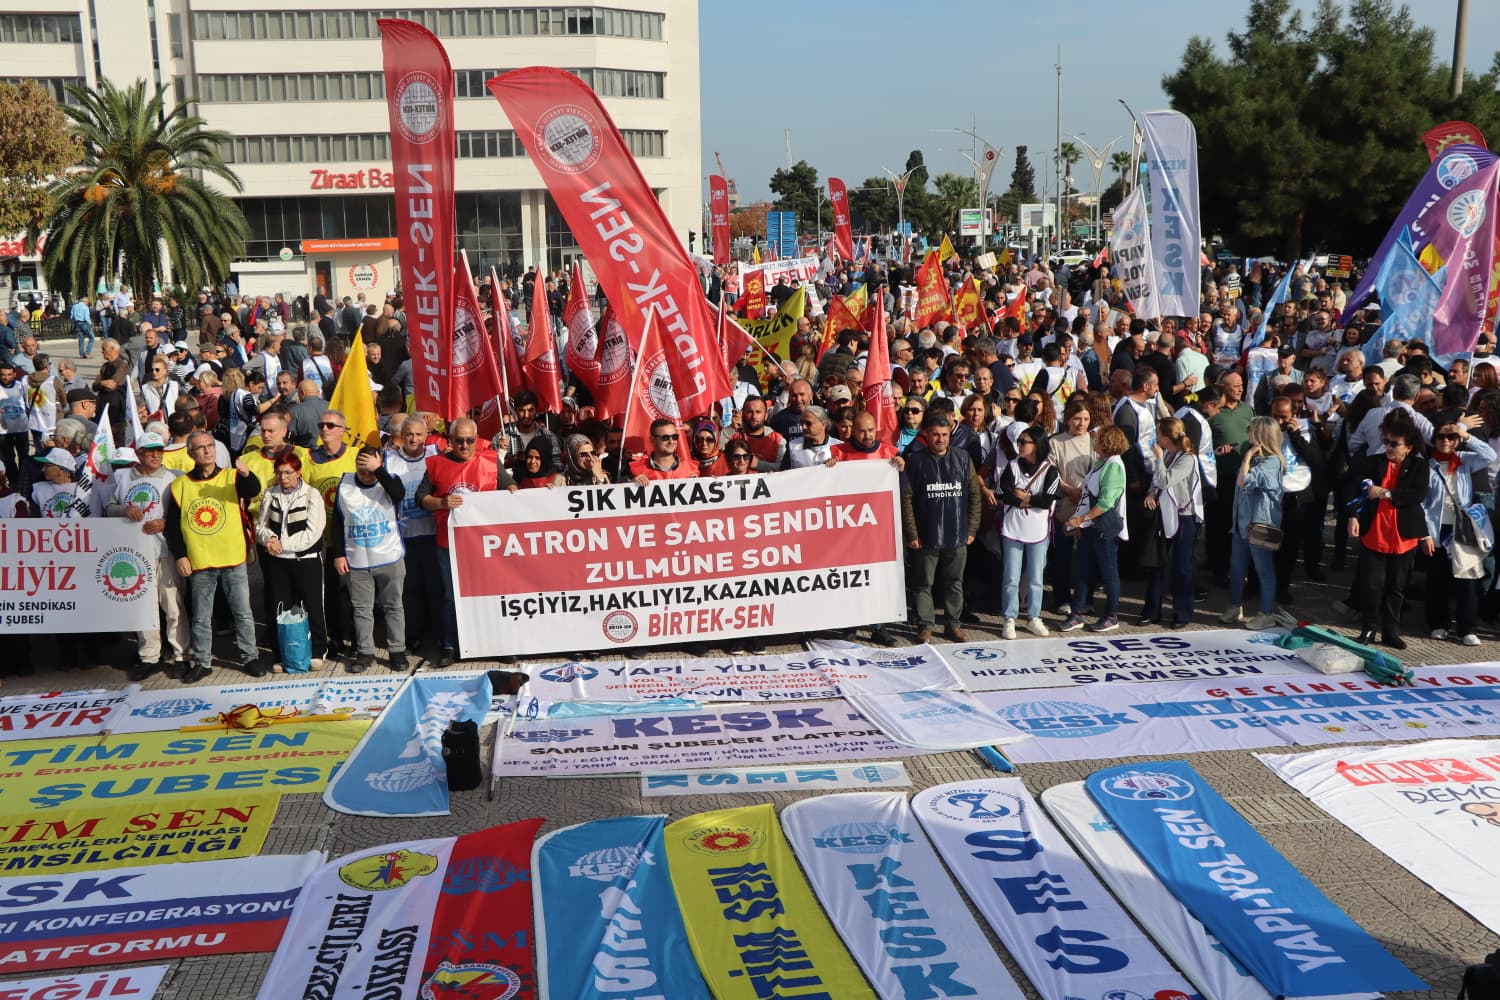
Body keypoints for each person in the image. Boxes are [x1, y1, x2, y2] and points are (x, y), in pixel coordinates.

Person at [416, 417, 518, 665]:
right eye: (459, 440)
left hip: (485, 545)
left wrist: (513, 493)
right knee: (453, 596)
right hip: (449, 544)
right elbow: (420, 499)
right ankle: (451, 645)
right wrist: (441, 503)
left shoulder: (491, 461)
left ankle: (497, 644)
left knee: (491, 594)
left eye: (469, 440)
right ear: (450, 441)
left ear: (477, 440)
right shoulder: (436, 464)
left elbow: (511, 486)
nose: (464, 445)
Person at [164, 432, 264, 683]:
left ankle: (250, 657)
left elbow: (253, 489)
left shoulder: (231, 476)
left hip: (232, 557)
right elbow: (173, 527)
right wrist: (180, 556)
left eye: (210, 446)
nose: (207, 451)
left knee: (242, 612)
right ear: (190, 454)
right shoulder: (180, 485)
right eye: (200, 448)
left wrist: (245, 473)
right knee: (201, 616)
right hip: (200, 560)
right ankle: (203, 661)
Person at [106, 432, 188, 681]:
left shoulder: (174, 478)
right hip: (134, 555)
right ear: (139, 454)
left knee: (173, 605)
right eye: (150, 451)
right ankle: (149, 655)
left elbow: (187, 511)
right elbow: (109, 508)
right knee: (143, 607)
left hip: (165, 550)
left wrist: (166, 522)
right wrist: (124, 509)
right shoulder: (122, 478)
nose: (156, 455)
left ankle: (181, 655)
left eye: (159, 450)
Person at [1348, 414, 1428, 648]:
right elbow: (1355, 489)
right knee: (1372, 584)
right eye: (1387, 442)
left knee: (1397, 586)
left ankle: (1391, 631)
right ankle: (1368, 629)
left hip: (1403, 535)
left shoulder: (1419, 466)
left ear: (1409, 447)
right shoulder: (1373, 462)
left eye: (1395, 444)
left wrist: (1385, 493)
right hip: (1375, 531)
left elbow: (1417, 494)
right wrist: (1353, 515)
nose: (1389, 447)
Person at [901, 413, 982, 643]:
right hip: (926, 535)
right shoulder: (916, 461)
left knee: (954, 582)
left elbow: (975, 495)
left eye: (944, 435)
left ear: (950, 436)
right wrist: (912, 533)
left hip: (957, 533)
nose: (940, 439)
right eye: (935, 434)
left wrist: (972, 529)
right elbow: (906, 499)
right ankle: (926, 625)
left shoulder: (963, 458)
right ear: (926, 434)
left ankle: (952, 624)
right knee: (923, 583)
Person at [332, 446, 408, 673]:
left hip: (389, 556)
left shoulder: (388, 481)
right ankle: (365, 652)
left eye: (371, 470)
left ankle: (397, 651)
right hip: (358, 558)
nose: (366, 474)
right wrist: (338, 554)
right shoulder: (345, 484)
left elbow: (399, 494)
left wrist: (379, 472)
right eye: (362, 469)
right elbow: (337, 519)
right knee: (361, 609)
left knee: (393, 606)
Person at [1421, 416, 1495, 646]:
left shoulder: (1464, 460)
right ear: (1433, 440)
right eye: (1441, 436)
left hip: (1462, 528)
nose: (1445, 440)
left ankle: (1467, 628)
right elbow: (1422, 503)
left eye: (1450, 436)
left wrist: (1465, 434)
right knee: (1437, 578)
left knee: (1467, 578)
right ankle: (1438, 623)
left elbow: (1490, 456)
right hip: (1437, 528)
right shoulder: (1426, 465)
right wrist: (1425, 534)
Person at [255, 451, 329, 671]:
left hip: (305, 560)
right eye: (279, 473)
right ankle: (281, 654)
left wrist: (283, 545)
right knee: (278, 607)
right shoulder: (270, 493)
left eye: (288, 472)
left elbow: (313, 533)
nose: (283, 477)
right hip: (277, 561)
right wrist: (269, 539)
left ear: (298, 472)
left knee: (312, 605)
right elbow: (261, 526)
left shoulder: (311, 495)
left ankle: (317, 650)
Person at [1060, 426, 1131, 632]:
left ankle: (1111, 615)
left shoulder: (1114, 465)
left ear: (1106, 442)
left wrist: (1082, 518)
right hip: (1090, 527)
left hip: (1104, 529)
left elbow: (1107, 501)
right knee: (1083, 570)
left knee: (1109, 573)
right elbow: (1085, 495)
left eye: (1097, 439)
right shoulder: (1102, 462)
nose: (1094, 442)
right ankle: (1077, 613)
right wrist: (1081, 523)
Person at [1221, 416, 1286, 631]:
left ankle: (1266, 612)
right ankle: (1235, 605)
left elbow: (1243, 481)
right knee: (1236, 566)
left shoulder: (1272, 462)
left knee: (1263, 569)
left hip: (1261, 525)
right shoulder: (1257, 460)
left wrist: (1247, 457)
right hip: (1242, 523)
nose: (1247, 433)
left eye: (1251, 430)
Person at [997, 425, 1059, 639]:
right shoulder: (1012, 466)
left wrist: (1025, 498)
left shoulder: (1050, 470)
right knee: (1011, 576)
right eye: (1019, 441)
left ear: (1037, 445)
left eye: (1024, 442)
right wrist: (1019, 500)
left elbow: (1047, 501)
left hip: (1038, 530)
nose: (1020, 445)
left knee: (1035, 576)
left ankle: (1033, 616)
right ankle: (1009, 618)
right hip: (1013, 528)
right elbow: (1001, 492)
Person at [1142, 418, 1204, 628]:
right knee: (1157, 563)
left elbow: (1166, 480)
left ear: (1166, 438)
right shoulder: (1169, 454)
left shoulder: (1188, 459)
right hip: (1164, 515)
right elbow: (1156, 482)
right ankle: (1152, 611)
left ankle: (1182, 614)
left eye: (1158, 434)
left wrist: (1158, 459)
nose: (1156, 439)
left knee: (1181, 567)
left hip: (1183, 517)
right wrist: (1151, 493)